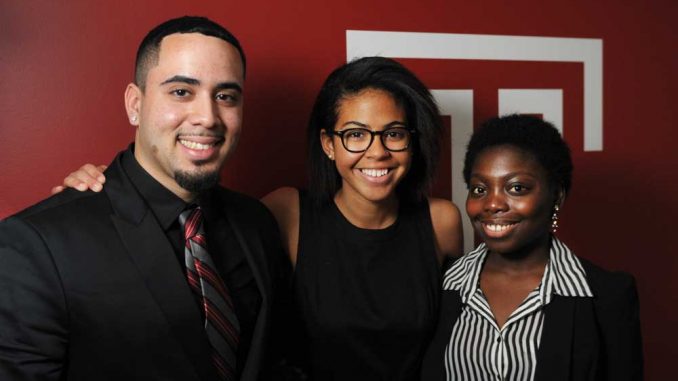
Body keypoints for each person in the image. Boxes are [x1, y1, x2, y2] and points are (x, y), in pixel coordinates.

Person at [55, 56, 464, 380]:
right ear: (327, 144)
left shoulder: (442, 222)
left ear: (413, 140)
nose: (377, 152)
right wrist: (104, 189)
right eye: (355, 134)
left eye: (394, 133)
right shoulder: (288, 213)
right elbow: (186, 227)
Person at [0, 16, 286, 381]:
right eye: (182, 91)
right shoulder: (38, 244)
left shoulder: (257, 223)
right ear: (135, 104)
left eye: (225, 96)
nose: (207, 117)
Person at [420, 115, 643, 380]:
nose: (492, 204)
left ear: (556, 196)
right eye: (479, 189)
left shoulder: (606, 296)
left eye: (516, 188)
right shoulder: (442, 285)